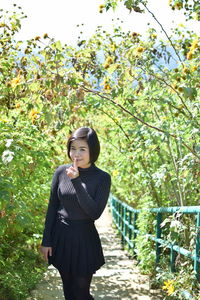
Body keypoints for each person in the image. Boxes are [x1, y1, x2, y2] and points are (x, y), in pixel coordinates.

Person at [40, 127, 111, 300]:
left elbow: (94, 213)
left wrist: (77, 180)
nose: (76, 154)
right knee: (69, 291)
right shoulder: (60, 172)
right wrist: (46, 240)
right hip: (61, 236)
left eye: (82, 149)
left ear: (92, 150)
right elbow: (53, 207)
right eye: (73, 148)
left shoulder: (102, 177)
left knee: (81, 292)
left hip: (84, 238)